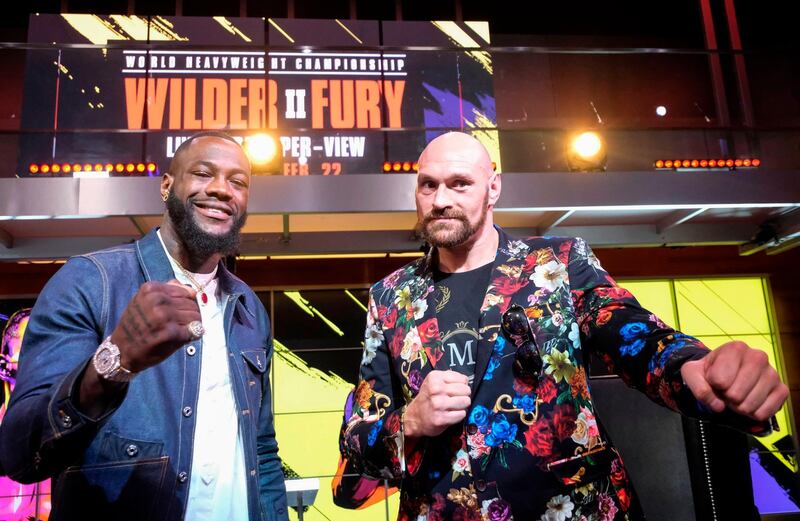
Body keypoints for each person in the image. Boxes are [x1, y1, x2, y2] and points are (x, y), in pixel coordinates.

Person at [339, 132, 788, 520]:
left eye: (460, 184)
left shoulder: (558, 262)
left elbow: (628, 331)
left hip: (574, 508)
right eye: (428, 186)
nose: (441, 200)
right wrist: (410, 421)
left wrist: (691, 367)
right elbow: (357, 438)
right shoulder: (389, 296)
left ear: (493, 188)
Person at [0, 131, 288, 521]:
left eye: (238, 181)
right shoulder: (89, 282)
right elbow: (19, 455)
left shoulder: (249, 307)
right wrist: (113, 362)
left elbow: (262, 449)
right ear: (167, 186)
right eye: (204, 174)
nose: (222, 189)